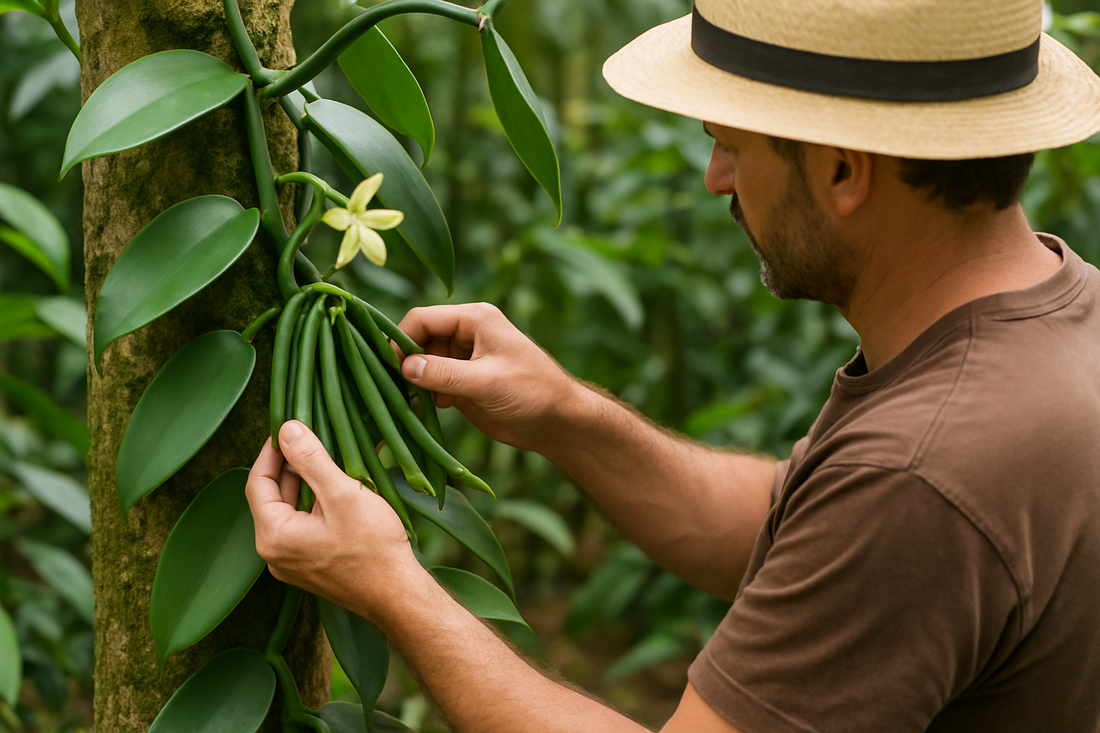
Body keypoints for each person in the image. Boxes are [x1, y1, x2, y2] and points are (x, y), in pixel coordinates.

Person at [246, 0, 1100, 730]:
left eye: (730, 142)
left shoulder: (922, 474)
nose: (713, 177)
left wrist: (394, 586)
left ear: (844, 170)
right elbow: (801, 529)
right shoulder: (1055, 322)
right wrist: (569, 417)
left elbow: (882, 516)